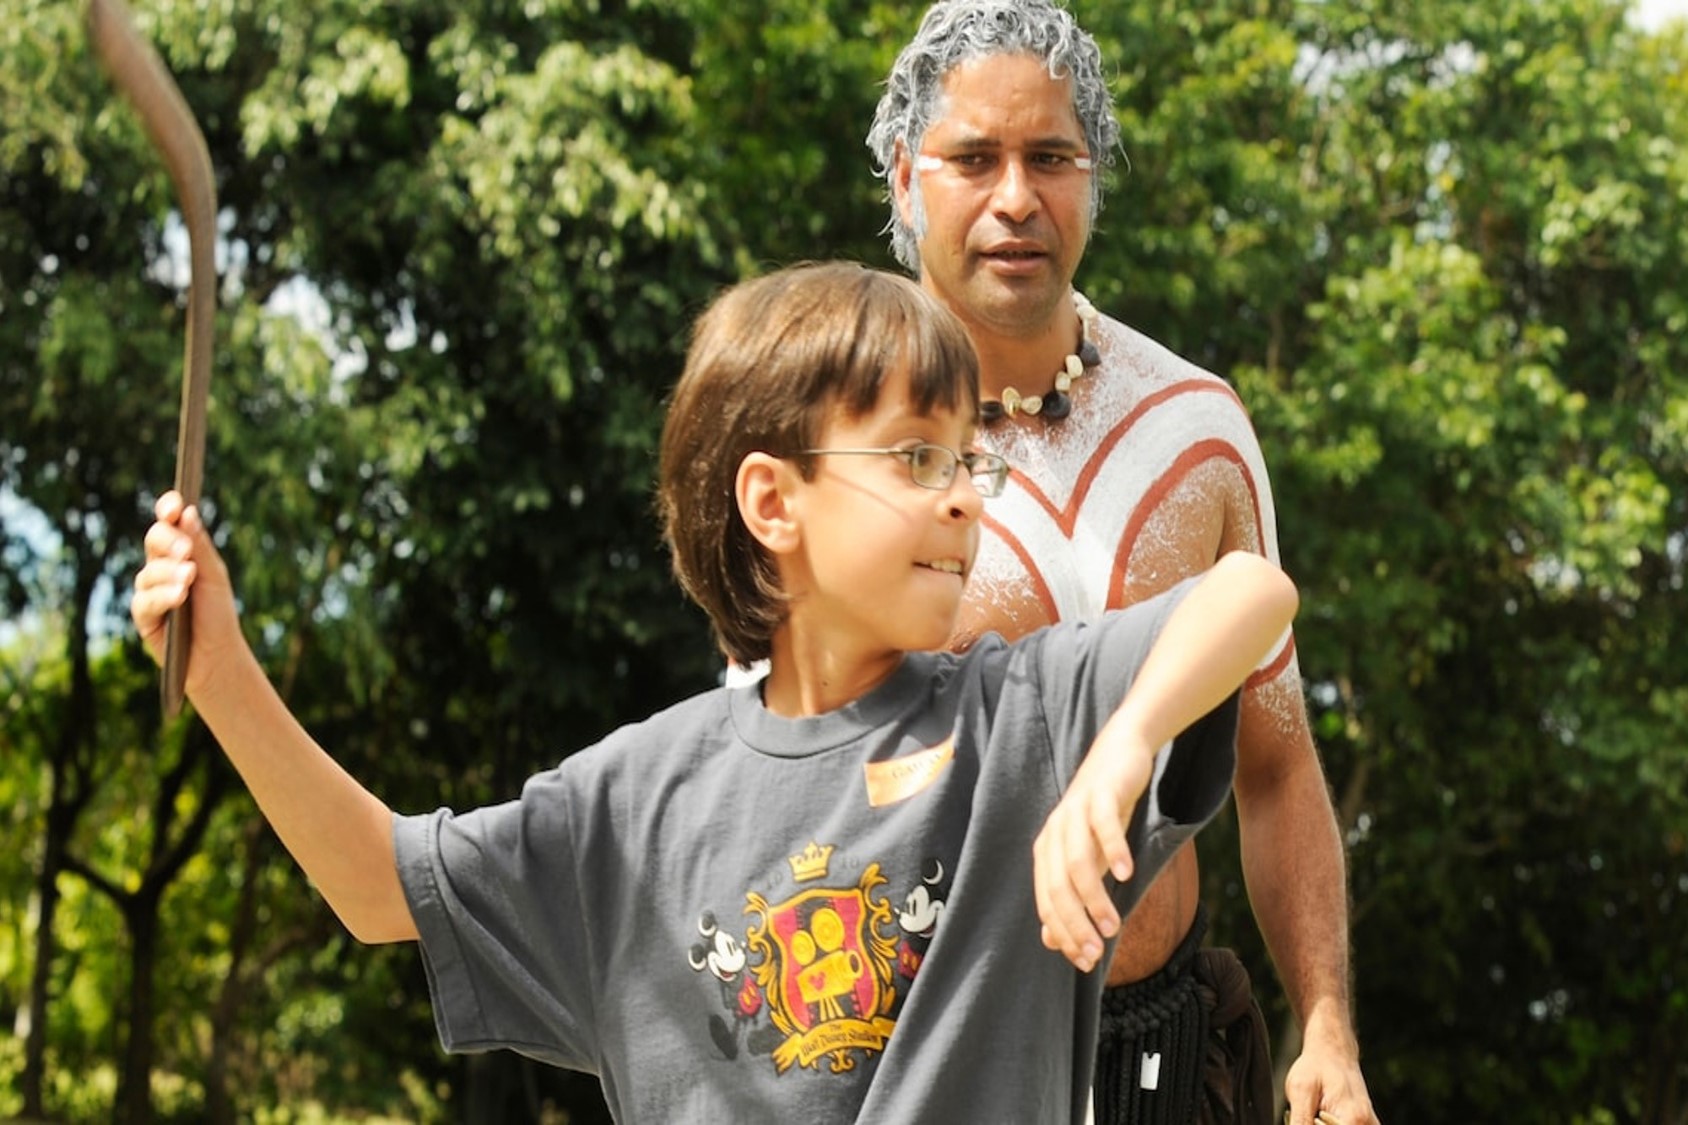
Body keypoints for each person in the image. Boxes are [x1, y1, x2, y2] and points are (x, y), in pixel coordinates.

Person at [131, 261, 1298, 1122]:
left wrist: (1123, 742)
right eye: (911, 459)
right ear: (769, 502)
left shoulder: (1022, 720)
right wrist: (225, 670)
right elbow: (377, 885)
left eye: (966, 463)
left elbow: (1247, 592)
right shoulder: (629, 803)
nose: (963, 499)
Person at [866, 5, 1377, 1125]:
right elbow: (763, 782)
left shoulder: (1194, 430)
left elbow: (1277, 768)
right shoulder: (840, 447)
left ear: (1092, 179)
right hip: (925, 1066)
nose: (1014, 199)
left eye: (1049, 157)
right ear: (908, 177)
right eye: (971, 159)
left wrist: (1326, 1025)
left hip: (1166, 1050)